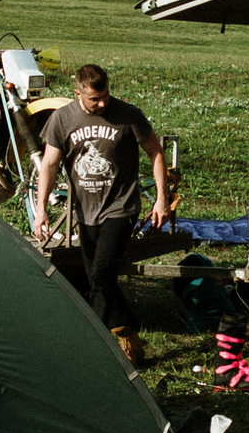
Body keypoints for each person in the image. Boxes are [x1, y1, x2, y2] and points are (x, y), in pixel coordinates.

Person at [33, 63, 172, 363]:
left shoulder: (128, 114)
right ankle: (121, 339)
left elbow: (156, 152)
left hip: (121, 207)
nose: (103, 103)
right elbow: (50, 164)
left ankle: (104, 341)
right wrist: (40, 209)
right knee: (95, 279)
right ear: (78, 93)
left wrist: (162, 198)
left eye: (106, 95)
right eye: (95, 99)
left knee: (101, 272)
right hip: (87, 211)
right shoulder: (62, 119)